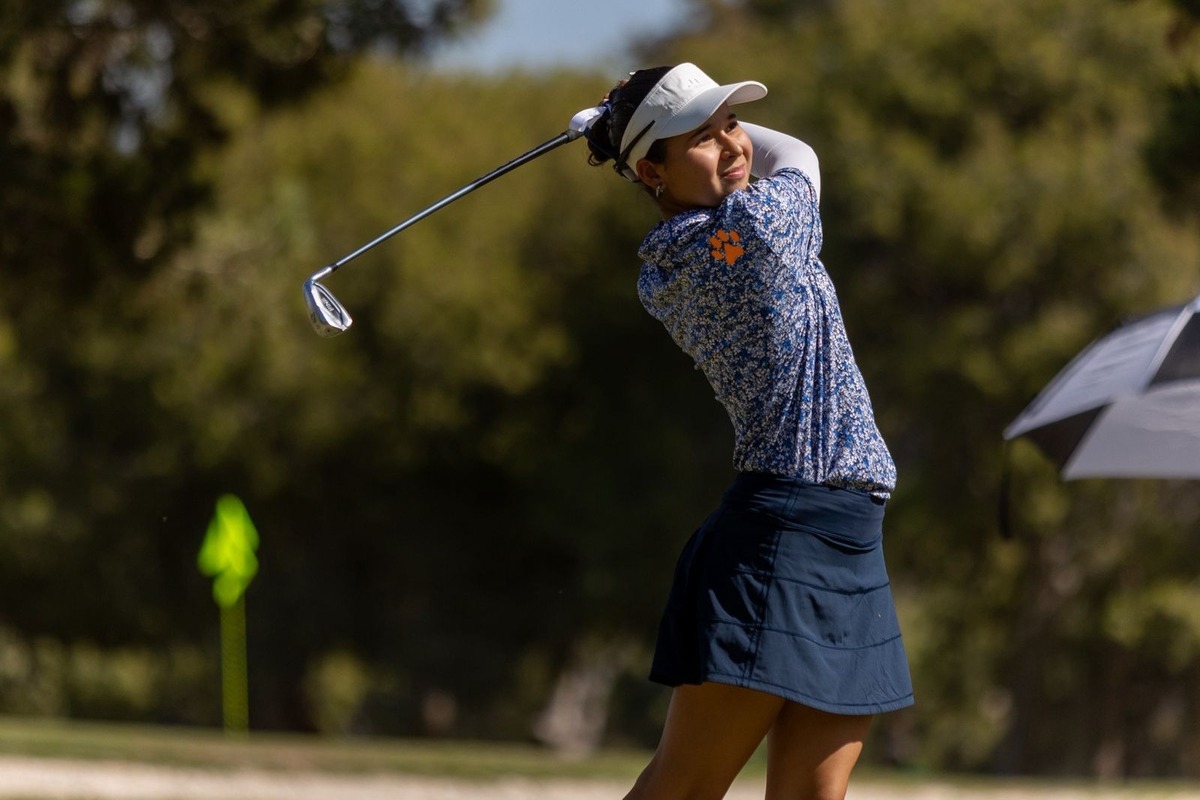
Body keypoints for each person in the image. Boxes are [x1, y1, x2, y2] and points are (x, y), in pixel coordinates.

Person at [582, 64, 914, 800]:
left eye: (730, 123)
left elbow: (753, 160)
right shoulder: (752, 231)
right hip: (782, 535)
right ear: (652, 172)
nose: (733, 144)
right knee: (684, 787)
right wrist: (615, 129)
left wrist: (625, 129)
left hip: (847, 531)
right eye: (701, 137)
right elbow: (798, 155)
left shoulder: (676, 256)